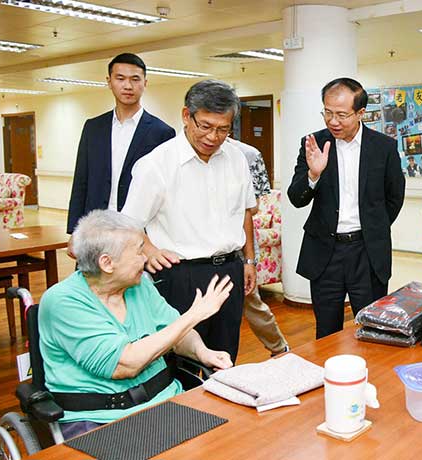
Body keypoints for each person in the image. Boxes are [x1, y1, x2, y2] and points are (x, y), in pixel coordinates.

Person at [39, 210, 233, 440]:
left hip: (165, 401)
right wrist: (193, 315)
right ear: (107, 263)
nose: (145, 258)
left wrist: (203, 352)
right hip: (100, 419)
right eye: (139, 251)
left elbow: (177, 333)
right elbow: (124, 365)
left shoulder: (139, 285)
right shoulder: (63, 302)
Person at [122, 80, 256, 364]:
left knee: (224, 358)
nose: (213, 137)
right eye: (205, 126)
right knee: (179, 361)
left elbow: (245, 212)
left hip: (229, 271)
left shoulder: (237, 158)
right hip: (181, 275)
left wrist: (249, 261)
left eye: (223, 129)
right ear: (186, 115)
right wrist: (150, 250)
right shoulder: (156, 163)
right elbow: (128, 223)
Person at [287, 77, 405, 339]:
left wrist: (373, 228)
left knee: (371, 328)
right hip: (325, 252)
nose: (333, 121)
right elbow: (296, 197)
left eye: (341, 115)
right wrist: (313, 175)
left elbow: (394, 197)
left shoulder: (383, 147)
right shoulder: (314, 144)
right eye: (327, 113)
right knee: (326, 330)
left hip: (367, 251)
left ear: (361, 113)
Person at [66, 53, 175, 252]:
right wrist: (75, 230)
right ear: (109, 82)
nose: (128, 86)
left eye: (135, 79)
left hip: (139, 231)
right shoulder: (93, 127)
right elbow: (81, 180)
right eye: (120, 78)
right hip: (96, 228)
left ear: (145, 83)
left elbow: (166, 191)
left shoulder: (162, 132)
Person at [226, 137, 289, 356]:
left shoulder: (248, 155)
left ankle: (280, 348)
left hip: (240, 243)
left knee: (251, 301)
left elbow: (254, 208)